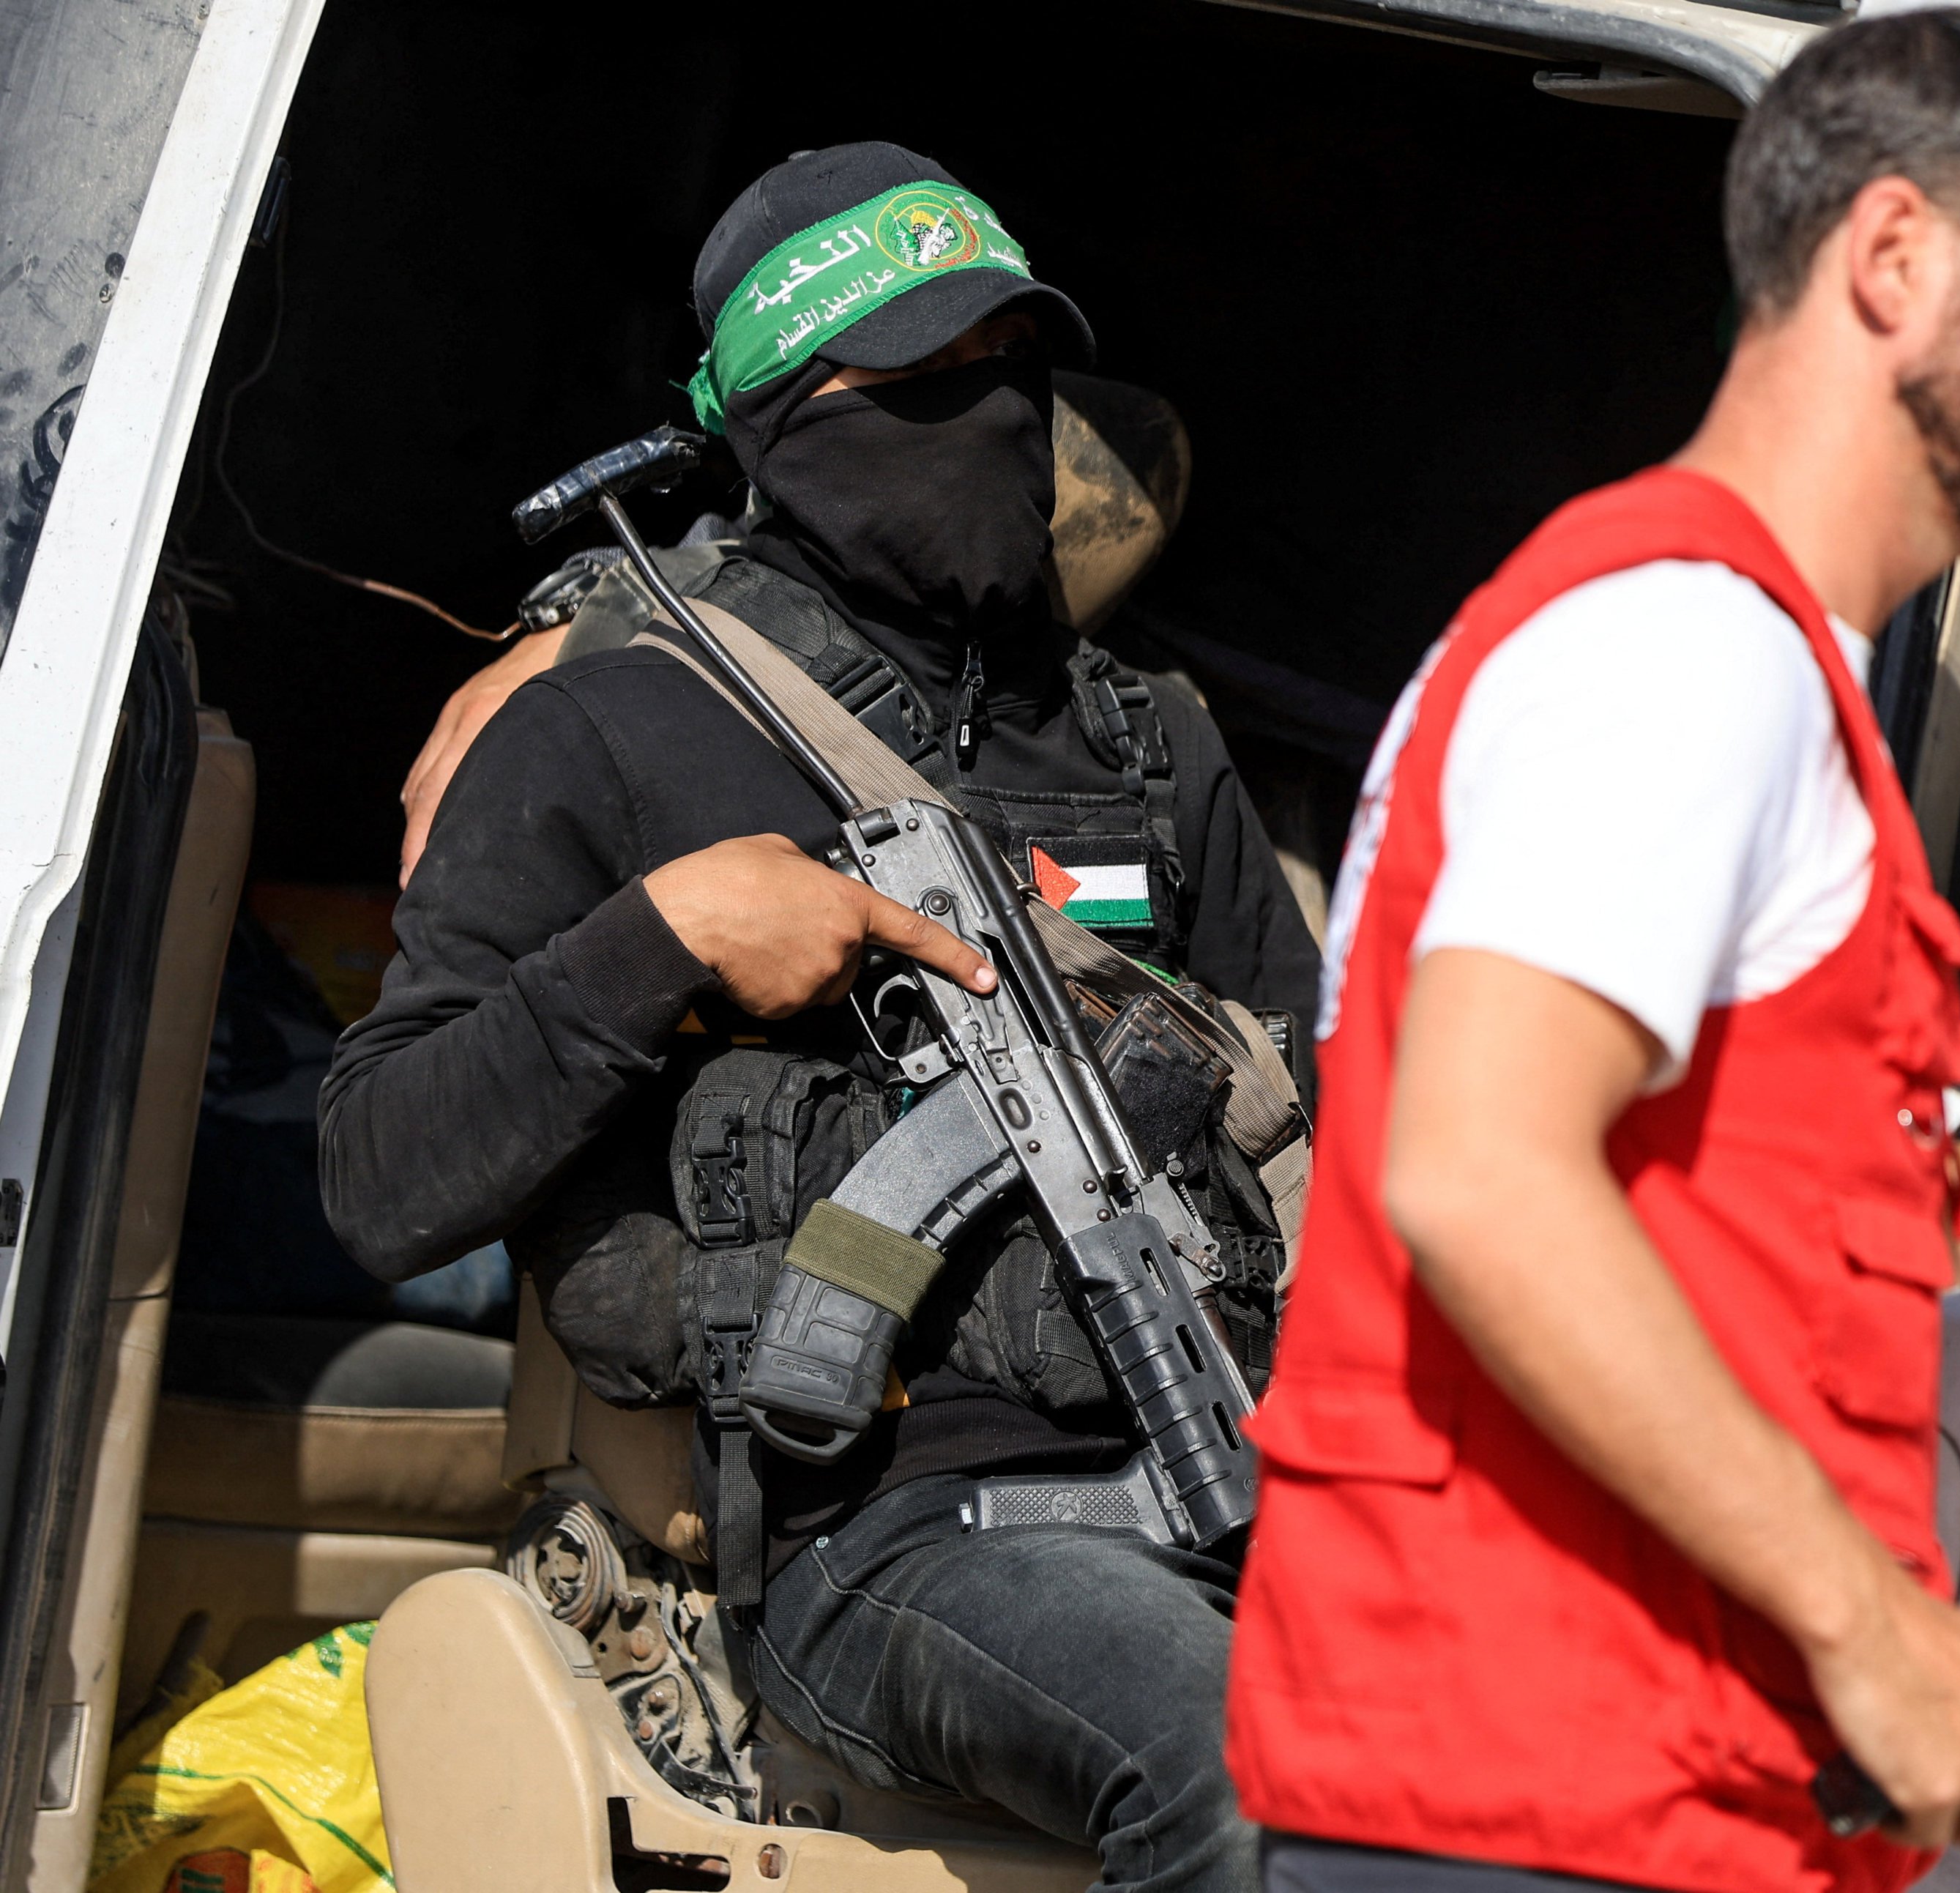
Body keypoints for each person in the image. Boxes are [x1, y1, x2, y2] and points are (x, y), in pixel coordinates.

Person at [1226, 18, 1960, 1893]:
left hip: (1629, 1799)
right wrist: (1871, 1635)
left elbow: (1733, 1213)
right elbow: (1480, 1174)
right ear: (1891, 261)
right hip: (1540, 1813)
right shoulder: (1682, 657)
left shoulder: (1744, 661)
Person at [321, 143, 1318, 1892]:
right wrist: (666, 934)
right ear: (780, 419)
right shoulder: (615, 729)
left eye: (1008, 371)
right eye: (916, 384)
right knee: (1242, 1774)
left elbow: (1345, 1122)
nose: (982, 415)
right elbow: (382, 1177)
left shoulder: (1150, 742)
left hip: (1242, 1466)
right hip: (890, 1533)